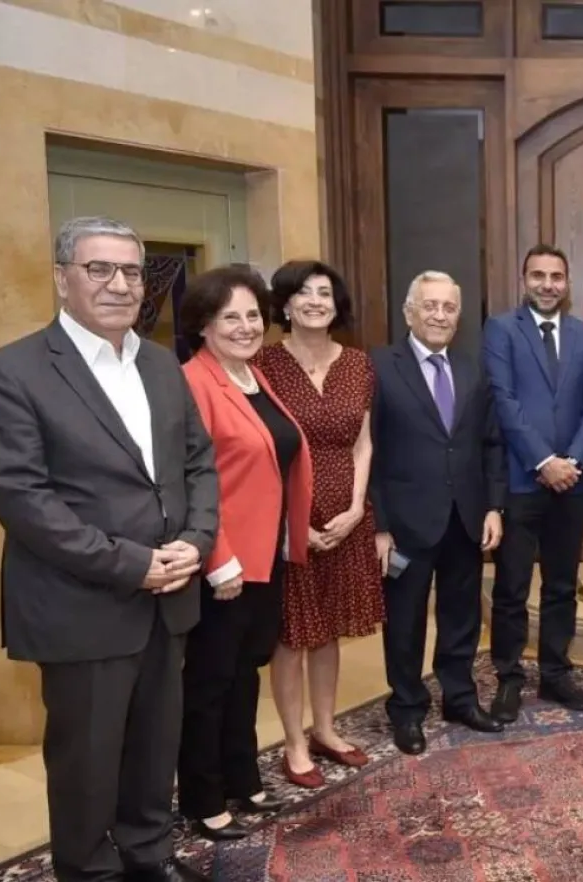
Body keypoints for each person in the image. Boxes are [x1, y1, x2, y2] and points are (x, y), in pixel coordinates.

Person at [0, 216, 218, 882]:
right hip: (82, 606)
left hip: (171, 598)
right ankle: (88, 871)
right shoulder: (10, 372)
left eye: (131, 271)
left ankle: (148, 854)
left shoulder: (163, 364)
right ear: (62, 278)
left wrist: (195, 543)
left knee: (152, 750)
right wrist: (133, 564)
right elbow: (24, 501)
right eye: (98, 269)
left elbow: (198, 464)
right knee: (85, 763)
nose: (117, 284)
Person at [177, 265, 314, 841]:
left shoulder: (255, 376)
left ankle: (241, 774)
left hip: (268, 557)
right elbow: (192, 479)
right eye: (230, 316)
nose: (245, 325)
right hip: (225, 563)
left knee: (244, 673)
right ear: (205, 325)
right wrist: (219, 557)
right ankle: (202, 796)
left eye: (253, 314)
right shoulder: (193, 381)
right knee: (209, 683)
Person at [255, 260, 384, 788]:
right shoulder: (262, 364)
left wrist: (356, 508)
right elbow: (258, 448)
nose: (315, 301)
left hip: (347, 517)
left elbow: (363, 442)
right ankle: (292, 742)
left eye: (325, 292)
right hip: (287, 517)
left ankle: (326, 729)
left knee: (329, 629)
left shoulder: (358, 364)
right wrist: (290, 524)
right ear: (283, 304)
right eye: (303, 292)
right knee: (292, 635)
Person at [370, 271, 507, 754]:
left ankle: (459, 696)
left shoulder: (471, 368)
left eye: (449, 307)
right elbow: (369, 453)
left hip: (465, 517)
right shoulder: (380, 367)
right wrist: (379, 525)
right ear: (409, 312)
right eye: (429, 306)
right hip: (406, 522)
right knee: (404, 621)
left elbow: (490, 442)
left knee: (462, 615)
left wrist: (494, 506)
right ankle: (406, 708)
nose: (439, 315)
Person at [483, 244, 583, 720]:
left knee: (561, 585)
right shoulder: (500, 329)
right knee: (511, 586)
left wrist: (572, 460)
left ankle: (556, 673)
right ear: (524, 279)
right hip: (520, 480)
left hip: (571, 484)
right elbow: (504, 401)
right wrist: (543, 461)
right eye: (538, 275)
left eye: (556, 276)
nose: (548, 284)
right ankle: (509, 677)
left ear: (568, 282)